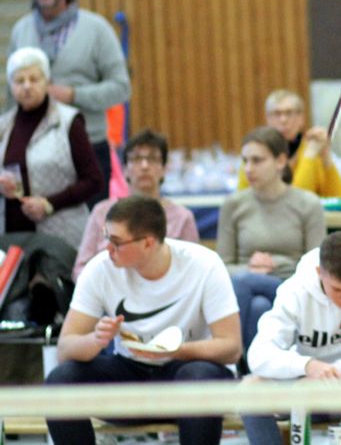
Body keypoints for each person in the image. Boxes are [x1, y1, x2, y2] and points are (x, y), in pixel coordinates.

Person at [45, 195, 241, 445]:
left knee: (200, 376)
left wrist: (177, 351)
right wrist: (95, 340)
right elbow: (65, 349)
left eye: (116, 242)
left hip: (187, 373)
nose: (107, 248)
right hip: (130, 373)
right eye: (106, 237)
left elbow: (231, 348)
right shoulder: (99, 269)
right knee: (60, 380)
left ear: (148, 243)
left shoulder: (204, 264)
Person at [243, 231, 341, 445]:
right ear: (319, 273)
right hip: (306, 385)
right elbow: (259, 355)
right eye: (337, 289)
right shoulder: (295, 289)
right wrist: (307, 366)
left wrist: (334, 373)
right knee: (250, 390)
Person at [9, 0, 131, 205]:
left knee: (92, 222)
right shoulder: (21, 30)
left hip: (87, 145)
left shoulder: (96, 29)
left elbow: (121, 88)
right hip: (34, 151)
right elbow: (11, 94)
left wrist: (74, 95)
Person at [218, 126, 325, 351]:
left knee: (244, 284)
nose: (248, 169)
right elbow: (222, 267)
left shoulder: (308, 204)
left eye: (257, 160)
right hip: (246, 287)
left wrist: (275, 265)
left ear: (280, 161)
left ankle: (232, 357)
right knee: (258, 305)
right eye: (245, 161)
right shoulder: (233, 204)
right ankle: (255, 364)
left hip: (291, 285)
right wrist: (249, 269)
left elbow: (317, 268)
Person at [0, 46, 103, 249]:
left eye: (34, 79)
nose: (27, 86)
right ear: (11, 86)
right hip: (10, 236)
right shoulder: (3, 125)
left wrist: (49, 204)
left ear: (47, 82)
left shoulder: (69, 121)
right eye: (19, 80)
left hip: (59, 237)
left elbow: (94, 180)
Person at [73, 128, 199, 281]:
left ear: (164, 169)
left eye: (152, 159)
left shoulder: (182, 217)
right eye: (137, 159)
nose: (144, 166)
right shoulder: (102, 212)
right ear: (125, 169)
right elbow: (81, 269)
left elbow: (193, 270)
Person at [237, 89, 341, 197]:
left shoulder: (313, 148)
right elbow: (293, 201)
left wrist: (326, 156)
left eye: (289, 113)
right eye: (277, 114)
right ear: (268, 119)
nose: (283, 120)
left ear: (301, 118)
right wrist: (309, 156)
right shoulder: (256, 155)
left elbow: (338, 197)